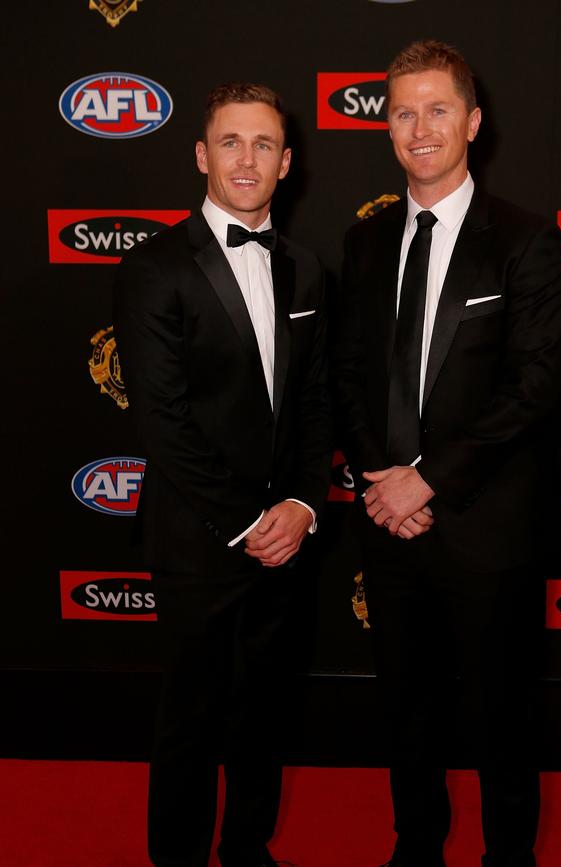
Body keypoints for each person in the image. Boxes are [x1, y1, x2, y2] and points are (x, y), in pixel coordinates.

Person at [333, 40, 561, 867]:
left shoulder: (526, 241)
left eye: (437, 109)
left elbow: (533, 390)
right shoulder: (364, 243)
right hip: (388, 528)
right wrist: (380, 485)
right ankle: (416, 847)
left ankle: (509, 856)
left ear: (472, 120)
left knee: (505, 718)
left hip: (486, 525)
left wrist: (426, 480)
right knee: (406, 711)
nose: (420, 127)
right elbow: (348, 376)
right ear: (387, 125)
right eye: (403, 111)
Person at [114, 82, 331, 867]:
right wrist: (251, 522)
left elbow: (315, 405)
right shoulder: (154, 268)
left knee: (263, 718)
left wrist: (304, 503)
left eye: (264, 144)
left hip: (286, 540)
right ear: (202, 155)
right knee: (191, 722)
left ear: (287, 162)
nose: (247, 159)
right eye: (231, 143)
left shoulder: (306, 269)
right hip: (200, 539)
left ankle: (247, 849)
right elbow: (162, 423)